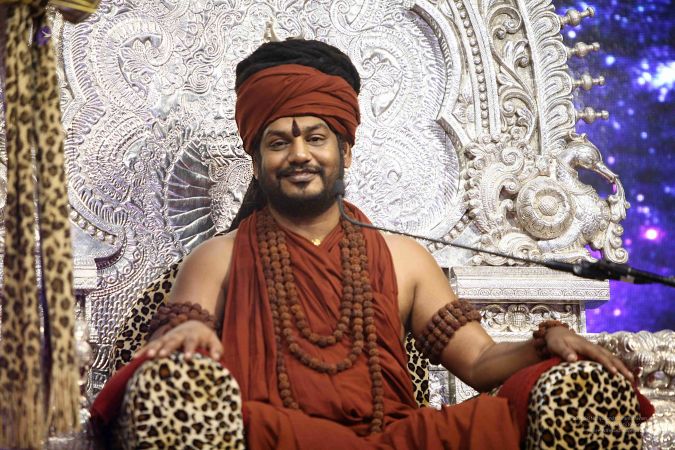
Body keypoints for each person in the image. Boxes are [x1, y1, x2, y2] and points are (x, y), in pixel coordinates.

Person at [92, 39, 646, 449]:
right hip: (273, 436)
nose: (299, 155)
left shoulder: (405, 258)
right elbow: (176, 335)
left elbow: (478, 360)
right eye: (279, 143)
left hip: (394, 440)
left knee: (562, 394)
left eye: (316, 138)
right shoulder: (217, 257)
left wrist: (547, 344)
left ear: (346, 152)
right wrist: (186, 332)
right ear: (257, 163)